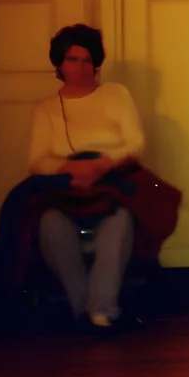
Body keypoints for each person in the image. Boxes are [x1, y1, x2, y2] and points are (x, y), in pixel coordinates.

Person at [27, 24, 148, 329]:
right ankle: (83, 306)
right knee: (50, 225)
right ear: (59, 64)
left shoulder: (116, 94)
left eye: (85, 60)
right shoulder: (46, 109)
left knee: (117, 223)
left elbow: (135, 142)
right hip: (68, 189)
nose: (80, 67)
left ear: (95, 63)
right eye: (71, 59)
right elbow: (37, 159)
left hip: (112, 185)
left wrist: (102, 166)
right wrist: (71, 169)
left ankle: (103, 310)